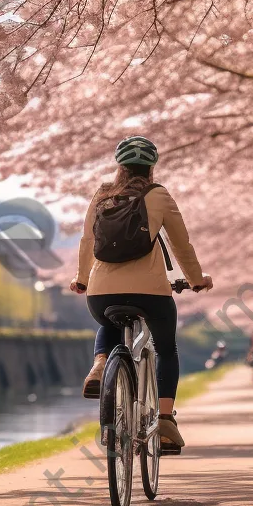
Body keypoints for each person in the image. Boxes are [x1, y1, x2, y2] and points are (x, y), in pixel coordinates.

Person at [70, 136, 213, 454]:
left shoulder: (103, 194)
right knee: (166, 348)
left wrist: (81, 280)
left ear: (119, 166)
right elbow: (181, 244)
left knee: (108, 324)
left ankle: (100, 363)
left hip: (101, 292)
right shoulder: (158, 195)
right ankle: (164, 421)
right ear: (151, 167)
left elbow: (87, 241)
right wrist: (196, 279)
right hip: (150, 293)